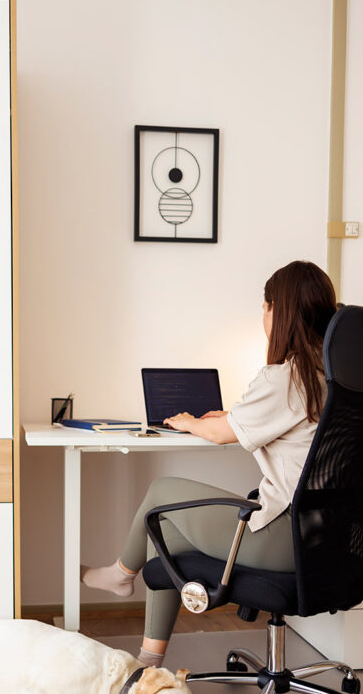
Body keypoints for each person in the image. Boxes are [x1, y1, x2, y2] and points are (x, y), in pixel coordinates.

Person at [81, 260, 337, 667]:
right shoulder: (330, 378)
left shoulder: (284, 377)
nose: (264, 316)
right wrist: (230, 418)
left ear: (280, 312)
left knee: (162, 491)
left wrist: (190, 422)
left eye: (266, 307)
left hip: (281, 541)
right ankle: (149, 664)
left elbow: (221, 435)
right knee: (168, 536)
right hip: (323, 539)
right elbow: (272, 425)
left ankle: (120, 573)